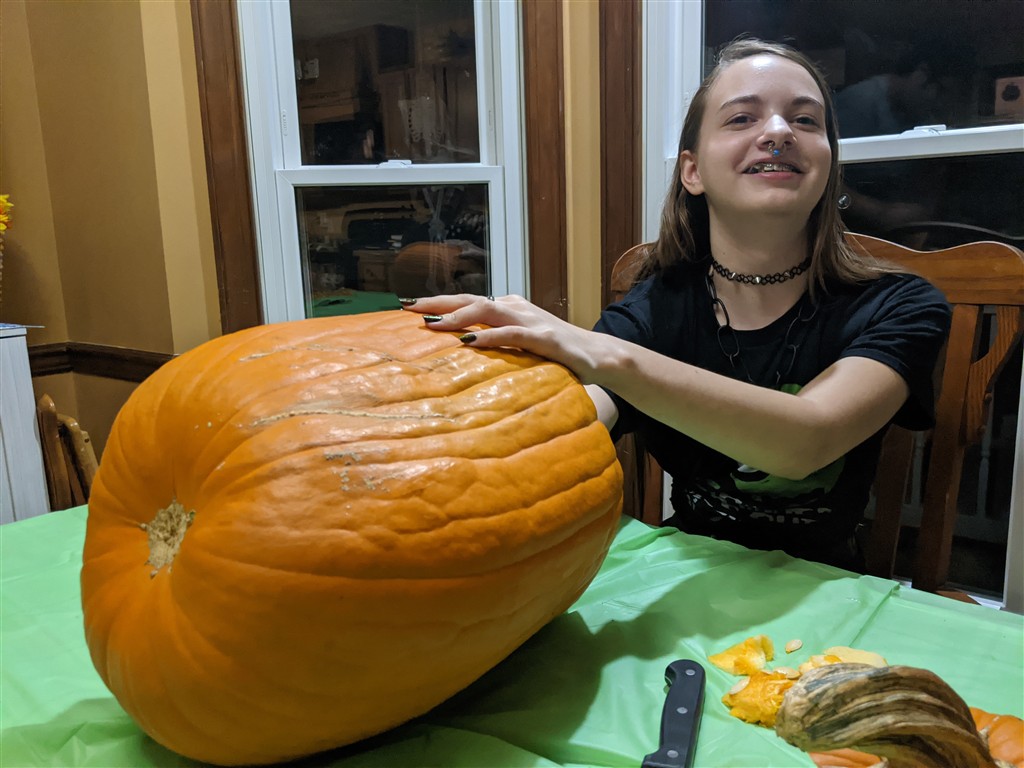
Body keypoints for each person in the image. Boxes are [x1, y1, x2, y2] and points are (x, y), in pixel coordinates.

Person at [400, 38, 951, 570]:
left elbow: (808, 441)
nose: (779, 132)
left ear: (828, 163)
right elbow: (575, 421)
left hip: (830, 587)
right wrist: (429, 443)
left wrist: (602, 353)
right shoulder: (657, 308)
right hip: (685, 570)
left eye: (805, 120)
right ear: (693, 171)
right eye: (743, 118)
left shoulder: (901, 306)